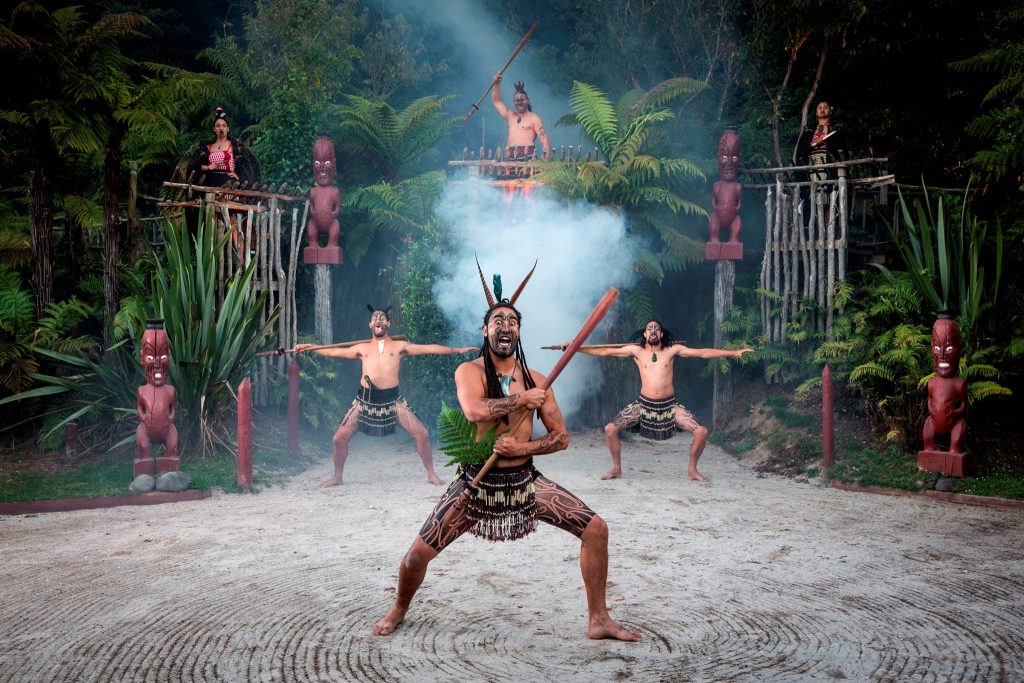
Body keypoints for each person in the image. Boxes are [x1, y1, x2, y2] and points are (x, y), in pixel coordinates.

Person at [371, 267, 641, 642]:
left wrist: (523, 447)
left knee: (596, 530)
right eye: (497, 319)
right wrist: (520, 400)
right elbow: (474, 411)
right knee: (416, 557)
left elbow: (561, 438)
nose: (505, 325)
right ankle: (399, 608)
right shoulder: (468, 371)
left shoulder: (537, 379)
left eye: (512, 321)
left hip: (523, 481)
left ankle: (598, 618)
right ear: (485, 331)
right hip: (475, 483)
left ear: (518, 332)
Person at [294, 306, 476, 488]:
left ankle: (430, 473)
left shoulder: (399, 346)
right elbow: (334, 351)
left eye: (382, 317)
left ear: (388, 323)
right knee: (338, 439)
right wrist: (309, 347)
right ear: (370, 325)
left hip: (392, 401)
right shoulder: (362, 348)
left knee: (422, 434)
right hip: (365, 401)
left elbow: (428, 348)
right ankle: (337, 476)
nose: (378, 320)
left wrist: (456, 350)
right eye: (375, 318)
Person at [573, 320, 753, 482]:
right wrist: (575, 348)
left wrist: (733, 352)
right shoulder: (636, 351)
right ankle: (616, 468)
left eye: (656, 329)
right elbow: (604, 351)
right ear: (644, 334)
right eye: (649, 328)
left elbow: (703, 353)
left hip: (668, 407)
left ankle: (692, 471)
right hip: (644, 406)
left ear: (661, 334)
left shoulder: (672, 350)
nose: (652, 331)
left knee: (702, 432)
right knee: (610, 429)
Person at [186, 107, 261, 188]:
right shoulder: (206, 148)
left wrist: (239, 177)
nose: (221, 128)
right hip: (210, 184)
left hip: (229, 184)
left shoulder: (236, 147)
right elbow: (193, 167)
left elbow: (249, 166)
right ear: (214, 129)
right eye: (218, 126)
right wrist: (208, 167)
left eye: (224, 126)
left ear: (228, 129)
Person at [490, 74, 552, 161]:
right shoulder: (510, 116)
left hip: (528, 159)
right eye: (517, 100)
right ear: (514, 102)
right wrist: (496, 83)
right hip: (510, 159)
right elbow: (496, 101)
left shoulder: (534, 118)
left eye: (522, 99)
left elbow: (545, 139)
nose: (519, 102)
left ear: (527, 101)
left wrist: (545, 160)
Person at [795, 100, 847, 181]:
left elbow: (842, 147)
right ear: (816, 113)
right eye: (820, 108)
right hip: (811, 163)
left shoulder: (836, 129)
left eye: (825, 108)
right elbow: (800, 150)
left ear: (830, 112)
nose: (822, 110)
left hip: (830, 162)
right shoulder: (808, 131)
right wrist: (811, 144)